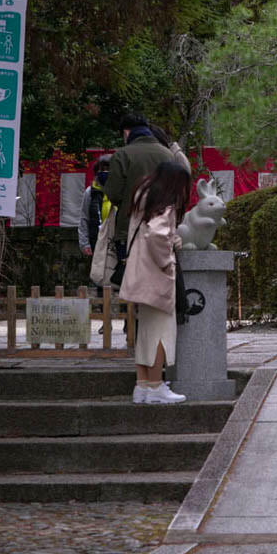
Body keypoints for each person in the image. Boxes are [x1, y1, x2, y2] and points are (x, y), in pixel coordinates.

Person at [119, 161, 190, 404]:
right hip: (157, 275)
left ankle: (143, 386)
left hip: (139, 273)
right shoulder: (166, 204)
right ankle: (156, 385)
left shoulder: (143, 196)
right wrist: (168, 258)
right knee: (162, 332)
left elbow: (145, 231)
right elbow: (157, 234)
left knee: (145, 333)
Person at [105, 114, 176, 244]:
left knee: (129, 264)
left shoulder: (122, 155)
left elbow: (114, 193)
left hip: (130, 228)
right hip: (162, 227)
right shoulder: (168, 154)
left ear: (126, 132)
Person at [78, 154, 112, 259]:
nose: (105, 172)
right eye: (102, 169)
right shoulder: (90, 192)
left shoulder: (122, 191)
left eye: (108, 169)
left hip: (117, 242)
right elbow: (84, 218)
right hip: (96, 241)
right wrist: (84, 243)